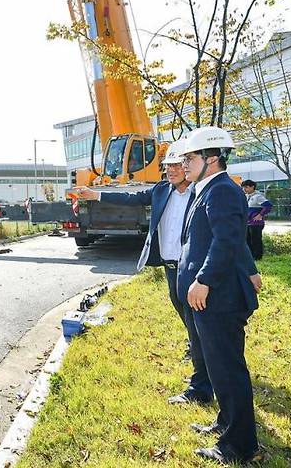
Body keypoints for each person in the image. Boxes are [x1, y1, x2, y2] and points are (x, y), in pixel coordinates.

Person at [75, 141, 261, 408]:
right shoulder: (162, 190)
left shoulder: (203, 193)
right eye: (167, 166)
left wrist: (250, 270)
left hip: (199, 275)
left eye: (176, 165)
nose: (171, 171)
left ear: (190, 165)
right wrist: (96, 195)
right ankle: (207, 372)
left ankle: (203, 383)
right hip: (173, 272)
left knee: (202, 330)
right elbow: (130, 198)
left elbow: (230, 238)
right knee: (194, 328)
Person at [177, 126, 260, 464]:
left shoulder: (222, 190)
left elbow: (226, 241)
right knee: (218, 367)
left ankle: (239, 446)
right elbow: (227, 238)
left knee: (228, 370)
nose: (184, 164)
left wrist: (204, 280)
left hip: (219, 298)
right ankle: (226, 423)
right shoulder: (209, 188)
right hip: (211, 297)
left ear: (211, 159)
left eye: (190, 158)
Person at [241, 180, 273, 260]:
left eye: (246, 187)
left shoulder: (258, 196)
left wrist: (260, 215)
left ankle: (258, 257)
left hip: (256, 223)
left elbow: (268, 206)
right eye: (243, 187)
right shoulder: (246, 196)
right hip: (247, 223)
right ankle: (250, 257)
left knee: (256, 240)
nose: (244, 189)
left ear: (252, 187)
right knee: (247, 240)